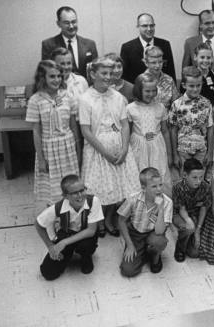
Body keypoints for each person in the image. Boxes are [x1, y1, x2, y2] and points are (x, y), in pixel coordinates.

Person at [79, 57, 140, 238]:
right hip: (98, 150)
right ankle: (98, 221)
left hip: (119, 148)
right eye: (103, 73)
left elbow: (125, 125)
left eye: (110, 73)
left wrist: (124, 149)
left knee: (119, 187)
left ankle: (110, 219)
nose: (108, 77)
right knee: (99, 189)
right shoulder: (85, 99)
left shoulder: (118, 97)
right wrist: (104, 152)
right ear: (92, 74)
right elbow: (86, 131)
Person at [26, 60, 80, 205]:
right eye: (52, 76)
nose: (56, 80)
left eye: (59, 76)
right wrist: (42, 160)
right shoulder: (35, 100)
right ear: (42, 78)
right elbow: (36, 132)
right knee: (53, 188)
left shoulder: (67, 96)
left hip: (67, 147)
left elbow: (74, 126)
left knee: (71, 183)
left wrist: (78, 150)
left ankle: (72, 217)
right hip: (48, 149)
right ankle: (56, 217)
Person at [35, 174, 104, 281]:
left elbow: (91, 231)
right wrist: (50, 247)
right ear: (66, 196)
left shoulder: (93, 201)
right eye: (75, 193)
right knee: (48, 273)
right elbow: (38, 224)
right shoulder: (58, 207)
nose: (80, 195)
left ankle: (86, 257)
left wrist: (64, 243)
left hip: (85, 237)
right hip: (66, 234)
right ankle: (68, 254)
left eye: (82, 190)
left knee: (86, 246)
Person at [118, 168, 173, 276]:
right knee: (128, 271)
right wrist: (130, 245)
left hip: (153, 233)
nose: (159, 190)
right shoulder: (133, 198)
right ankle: (143, 253)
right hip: (135, 234)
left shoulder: (167, 202)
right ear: (143, 188)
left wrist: (160, 209)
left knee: (159, 242)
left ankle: (155, 258)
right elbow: (121, 221)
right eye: (154, 186)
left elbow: (159, 231)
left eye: (160, 185)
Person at [128, 73, 172, 196]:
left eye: (154, 90)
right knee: (139, 174)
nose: (151, 94)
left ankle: (160, 207)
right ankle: (140, 207)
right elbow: (128, 131)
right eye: (147, 91)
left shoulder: (160, 107)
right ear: (139, 90)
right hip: (138, 147)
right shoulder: (131, 108)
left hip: (157, 146)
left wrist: (169, 153)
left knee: (159, 173)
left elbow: (165, 130)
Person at [170, 66, 214, 176]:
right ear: (184, 85)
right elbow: (173, 130)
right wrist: (175, 154)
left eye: (198, 85)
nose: (195, 89)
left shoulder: (206, 103)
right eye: (191, 86)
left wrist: (210, 153)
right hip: (183, 151)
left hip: (201, 150)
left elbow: (210, 129)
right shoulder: (176, 104)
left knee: (199, 181)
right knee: (184, 180)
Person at [172, 159, 210, 262]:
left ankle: (191, 238)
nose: (198, 181)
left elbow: (204, 208)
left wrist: (198, 229)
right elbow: (181, 208)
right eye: (194, 177)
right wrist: (188, 221)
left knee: (195, 253)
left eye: (201, 177)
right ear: (185, 175)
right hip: (180, 214)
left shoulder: (205, 186)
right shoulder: (177, 187)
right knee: (188, 228)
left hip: (196, 214)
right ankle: (180, 248)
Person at [42, 6, 98, 77]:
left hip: (85, 86)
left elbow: (95, 71)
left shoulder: (90, 44)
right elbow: (46, 73)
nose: (71, 26)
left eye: (74, 22)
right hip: (61, 87)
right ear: (58, 24)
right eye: (67, 23)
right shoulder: (48, 45)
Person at [120, 13, 176, 83]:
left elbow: (171, 71)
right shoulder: (127, 48)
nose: (149, 29)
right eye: (145, 26)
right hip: (136, 91)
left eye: (151, 25)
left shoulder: (165, 44)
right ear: (138, 27)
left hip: (161, 90)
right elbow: (124, 76)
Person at [182, 10, 214, 78]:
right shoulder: (190, 43)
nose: (211, 26)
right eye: (207, 23)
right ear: (200, 25)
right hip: (197, 87)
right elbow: (185, 71)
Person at [142, 46, 180, 111]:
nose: (157, 66)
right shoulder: (141, 80)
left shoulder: (169, 80)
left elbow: (175, 103)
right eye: (153, 63)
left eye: (160, 62)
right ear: (146, 63)